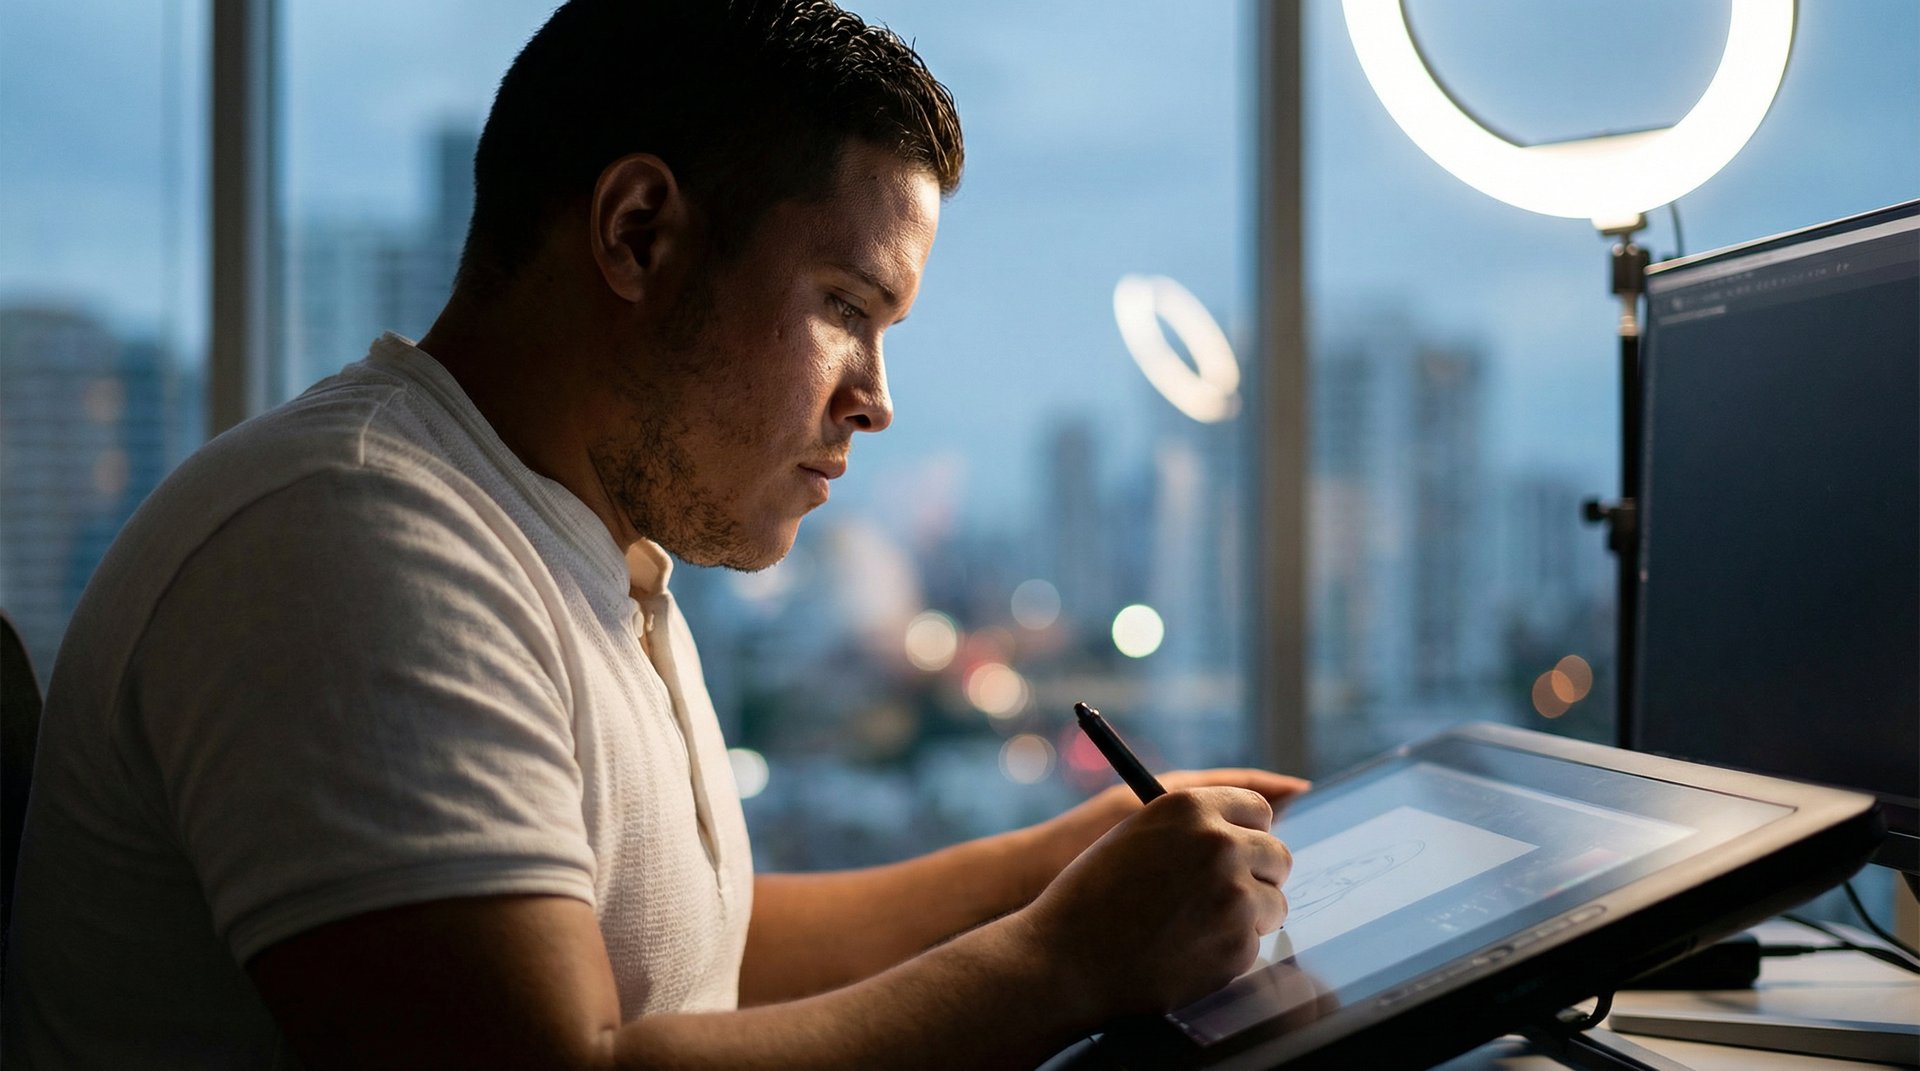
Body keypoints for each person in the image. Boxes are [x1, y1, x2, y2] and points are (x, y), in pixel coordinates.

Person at [2, 2, 1305, 1067]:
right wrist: (1061, 957)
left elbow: (693, 954)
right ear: (638, 233)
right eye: (848, 306)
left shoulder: (587, 544)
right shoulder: (351, 539)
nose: (877, 399)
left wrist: (1048, 870)